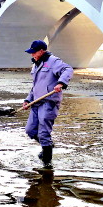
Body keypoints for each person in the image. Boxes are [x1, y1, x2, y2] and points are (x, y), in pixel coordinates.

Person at [22, 40, 73, 169]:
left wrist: (61, 83)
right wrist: (28, 100)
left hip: (49, 102)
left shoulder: (53, 61)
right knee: (30, 130)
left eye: (34, 52)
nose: (32, 54)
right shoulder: (35, 65)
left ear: (41, 51)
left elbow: (68, 69)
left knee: (44, 133)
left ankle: (47, 167)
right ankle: (47, 147)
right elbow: (35, 87)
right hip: (36, 102)